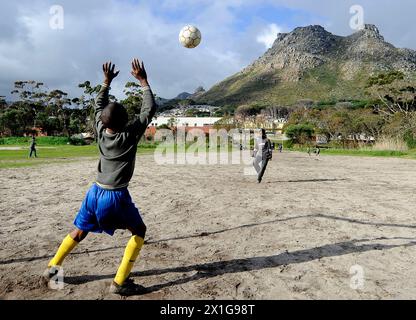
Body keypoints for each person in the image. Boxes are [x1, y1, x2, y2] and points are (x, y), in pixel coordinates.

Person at [42, 59, 157, 295]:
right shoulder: (128, 136)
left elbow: (98, 106)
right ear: (125, 122)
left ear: (103, 121)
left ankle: (53, 268)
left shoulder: (100, 130)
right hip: (115, 195)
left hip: (94, 192)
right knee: (139, 231)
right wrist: (143, 81)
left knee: (79, 230)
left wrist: (106, 82)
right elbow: (148, 110)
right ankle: (120, 282)